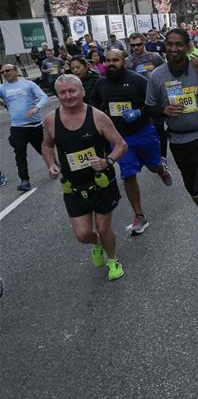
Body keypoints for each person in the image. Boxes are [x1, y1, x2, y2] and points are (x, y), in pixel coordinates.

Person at [145, 28, 198, 261]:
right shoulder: (157, 76)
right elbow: (149, 108)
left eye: (178, 45)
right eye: (170, 45)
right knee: (193, 189)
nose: (174, 49)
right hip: (178, 139)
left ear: (187, 46)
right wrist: (163, 110)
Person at [40, 74, 128, 281]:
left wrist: (108, 162)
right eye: (62, 92)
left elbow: (121, 145)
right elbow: (46, 145)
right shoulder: (51, 119)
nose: (68, 96)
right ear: (57, 95)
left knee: (104, 227)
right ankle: (97, 243)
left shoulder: (97, 116)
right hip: (74, 187)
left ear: (82, 92)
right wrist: (51, 164)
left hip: (101, 182)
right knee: (82, 235)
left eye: (72, 91)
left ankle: (113, 259)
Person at [90, 49, 173, 235]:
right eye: (108, 60)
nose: (111, 63)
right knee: (128, 174)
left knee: (153, 166)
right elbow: (93, 106)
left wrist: (139, 112)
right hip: (119, 139)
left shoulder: (138, 80)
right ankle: (139, 215)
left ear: (124, 61)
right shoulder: (100, 84)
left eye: (116, 60)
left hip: (143, 132)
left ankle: (161, 169)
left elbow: (155, 103)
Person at [0, 63, 48, 192]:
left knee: (43, 150)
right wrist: (4, 103)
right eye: (2, 72)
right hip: (17, 127)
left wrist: (36, 108)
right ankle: (25, 181)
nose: (5, 73)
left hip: (34, 125)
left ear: (16, 70)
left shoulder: (28, 84)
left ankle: (53, 164)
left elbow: (44, 97)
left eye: (7, 70)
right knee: (19, 153)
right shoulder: (2, 88)